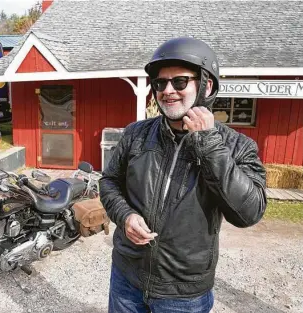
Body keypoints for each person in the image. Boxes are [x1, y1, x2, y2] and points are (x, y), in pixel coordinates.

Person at [99, 37, 267, 313]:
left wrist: (209, 143)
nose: (167, 91)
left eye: (179, 81)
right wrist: (125, 216)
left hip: (183, 295)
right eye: (160, 83)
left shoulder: (237, 146)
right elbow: (109, 182)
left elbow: (249, 213)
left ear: (207, 85)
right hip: (127, 278)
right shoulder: (136, 134)